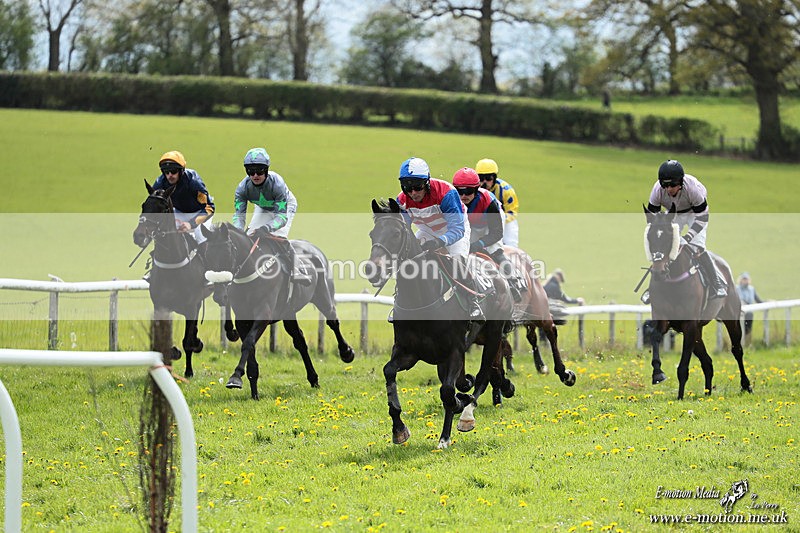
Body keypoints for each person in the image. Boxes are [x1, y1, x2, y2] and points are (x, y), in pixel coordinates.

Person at [395, 157, 480, 318]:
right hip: (427, 230)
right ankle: (401, 301)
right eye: (407, 187)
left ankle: (473, 300)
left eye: (417, 187)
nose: (413, 193)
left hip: (454, 229)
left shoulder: (446, 193)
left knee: (457, 262)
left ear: (427, 183)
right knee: (407, 260)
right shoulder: (402, 200)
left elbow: (457, 229)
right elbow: (404, 230)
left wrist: (440, 241)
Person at [646, 159, 727, 299]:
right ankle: (651, 288)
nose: (669, 189)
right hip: (673, 213)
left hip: (695, 213)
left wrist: (688, 237)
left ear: (681, 183)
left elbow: (702, 218)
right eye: (665, 185)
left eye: (673, 185)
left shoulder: (693, 190)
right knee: (661, 246)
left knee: (697, 248)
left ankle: (717, 284)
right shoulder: (657, 191)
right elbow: (653, 219)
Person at [232, 147, 307, 284]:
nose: (255, 175)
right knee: (250, 235)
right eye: (251, 171)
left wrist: (267, 228)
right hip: (262, 206)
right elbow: (239, 216)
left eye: (259, 171)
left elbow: (282, 218)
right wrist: (237, 232)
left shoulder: (277, 184)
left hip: (284, 207)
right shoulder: (242, 188)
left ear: (266, 170)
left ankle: (298, 270)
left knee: (278, 237)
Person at [452, 167, 524, 302]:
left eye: (468, 191)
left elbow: (496, 233)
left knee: (495, 250)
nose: (463, 196)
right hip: (470, 224)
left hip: (489, 223)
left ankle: (514, 282)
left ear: (476, 189)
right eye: (459, 192)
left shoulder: (488, 201)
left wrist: (480, 244)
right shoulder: (451, 200)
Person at [152, 150, 215, 244]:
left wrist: (191, 224)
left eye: (173, 171)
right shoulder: (159, 184)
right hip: (178, 212)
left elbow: (209, 208)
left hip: (199, 212)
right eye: (166, 172)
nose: (170, 175)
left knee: (200, 235)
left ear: (181, 171)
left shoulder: (194, 182)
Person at [475, 158, 520, 247]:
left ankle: (511, 251)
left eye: (488, 178)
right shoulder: (472, 190)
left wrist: (495, 222)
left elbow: (511, 212)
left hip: (505, 220)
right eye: (481, 178)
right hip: (480, 221)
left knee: (511, 239)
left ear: (495, 178)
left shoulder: (506, 191)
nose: (484, 182)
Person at [735, 272, 763, 344]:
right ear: (741, 280)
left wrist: (768, 302)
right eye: (744, 279)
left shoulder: (751, 289)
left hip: (749, 314)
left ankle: (748, 343)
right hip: (739, 314)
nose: (745, 281)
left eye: (747, 279)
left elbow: (758, 300)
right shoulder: (737, 288)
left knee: (748, 329)